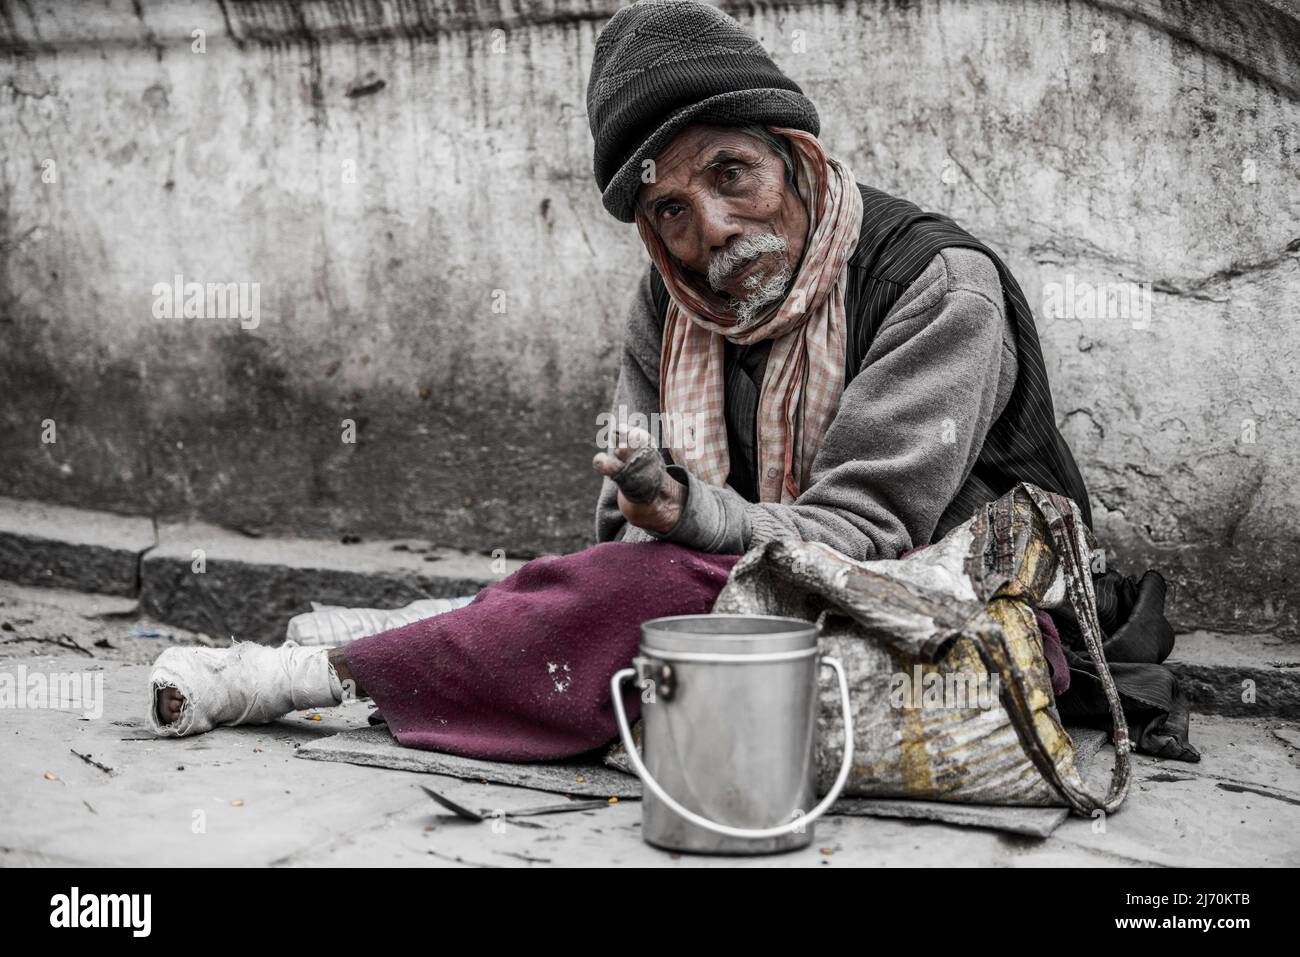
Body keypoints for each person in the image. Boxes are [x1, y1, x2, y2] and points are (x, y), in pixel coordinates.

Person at [148, 0, 1093, 758]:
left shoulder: (936, 283)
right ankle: (432, 641)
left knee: (648, 608)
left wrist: (691, 516)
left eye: (734, 173)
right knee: (640, 595)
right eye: (673, 209)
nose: (713, 229)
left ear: (797, 158)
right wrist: (649, 498)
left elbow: (859, 538)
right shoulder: (674, 297)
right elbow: (629, 536)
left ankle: (335, 670)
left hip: (959, 610)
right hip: (749, 585)